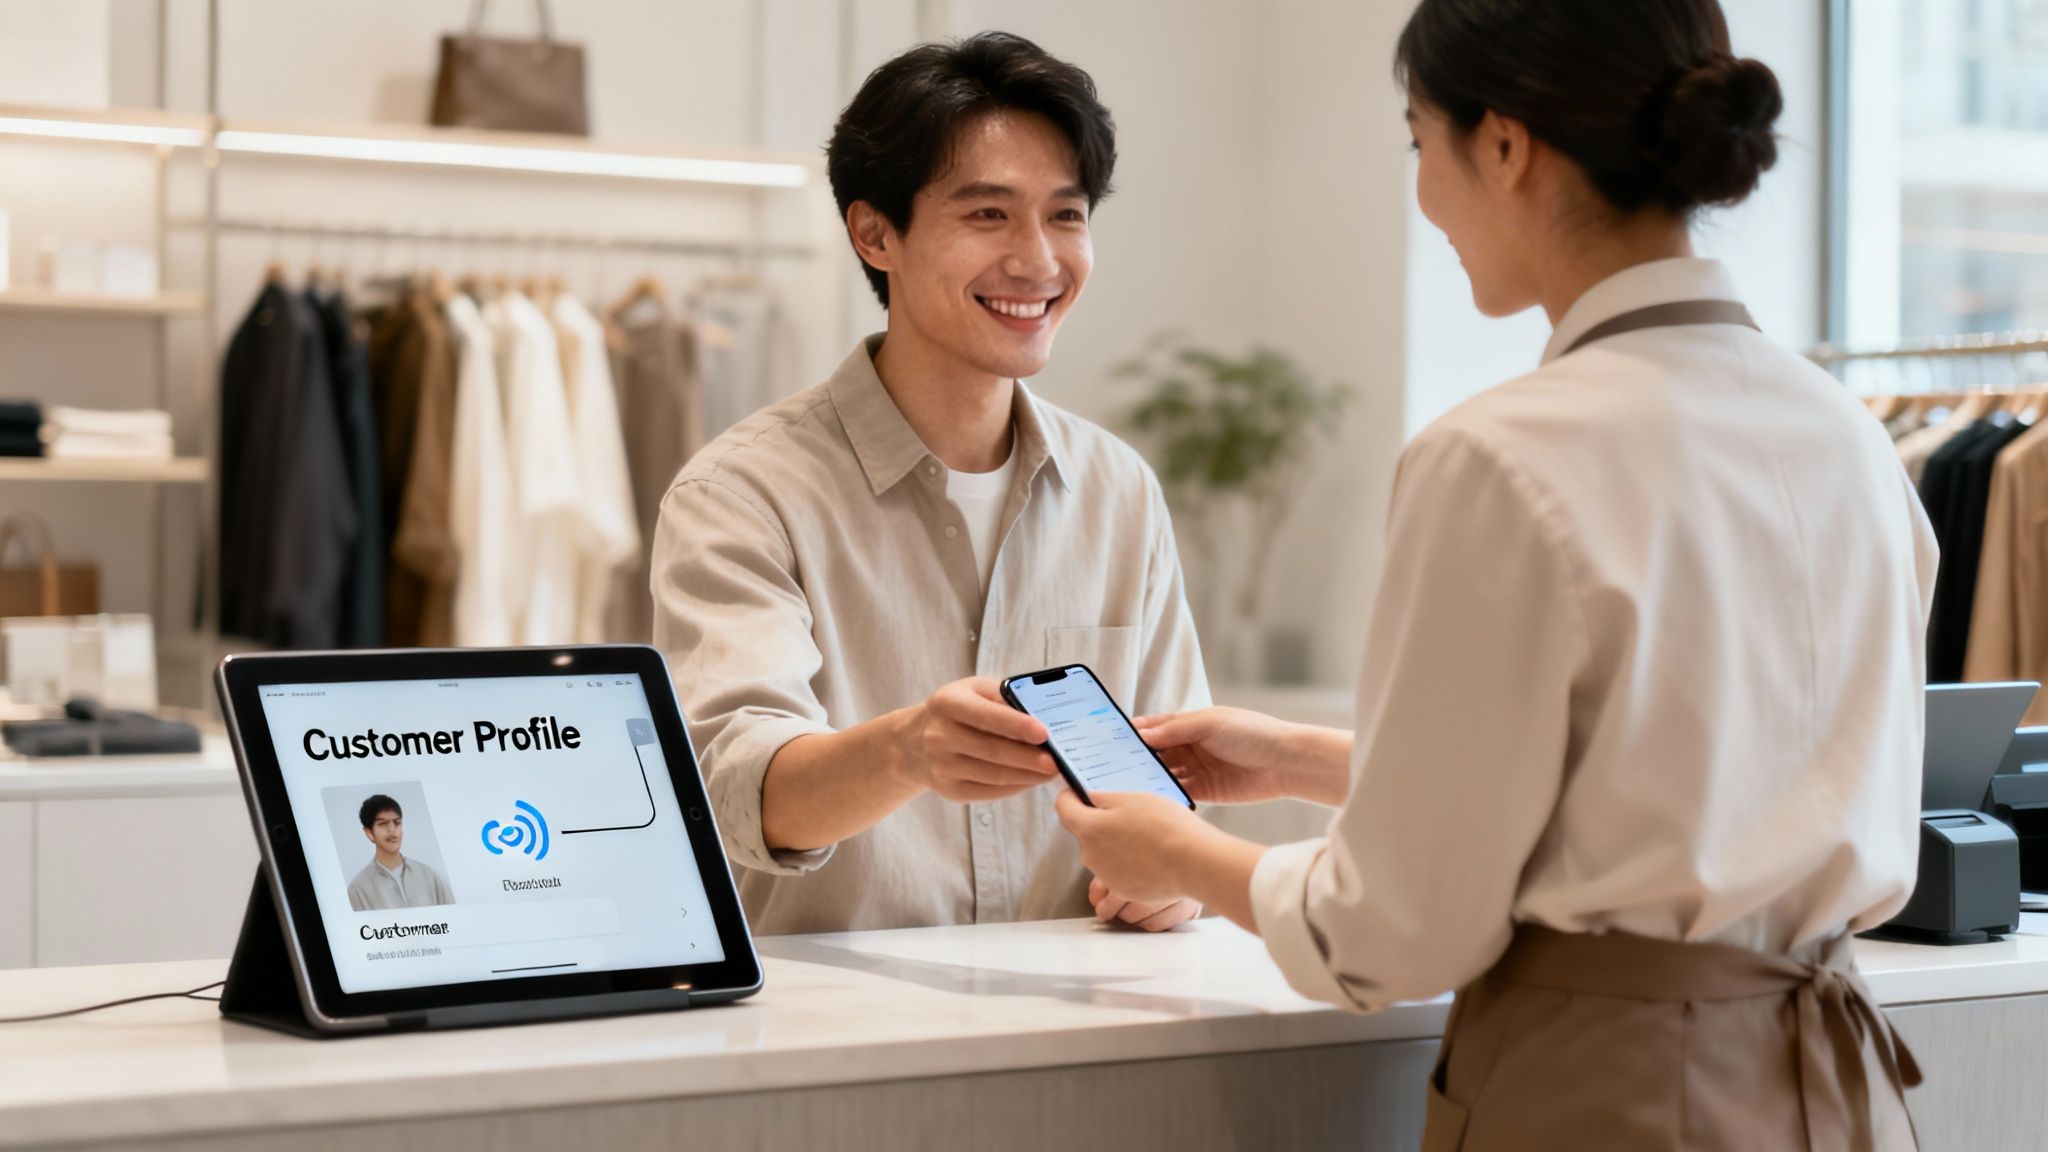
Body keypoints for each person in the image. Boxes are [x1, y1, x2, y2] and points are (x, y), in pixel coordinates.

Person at [1055, 1, 1934, 1147]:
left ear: (1506, 144)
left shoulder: (1500, 457)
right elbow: (1670, 786)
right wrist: (1305, 760)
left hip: (1611, 1091)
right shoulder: (1847, 438)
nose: (1424, 194)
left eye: (1420, 142)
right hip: (1834, 1086)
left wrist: (1176, 853)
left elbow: (1390, 936)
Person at [652, 33, 1209, 936]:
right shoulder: (742, 494)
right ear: (876, 233)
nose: (1038, 261)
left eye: (1066, 216)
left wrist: (1178, 877)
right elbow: (736, 792)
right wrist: (908, 751)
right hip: (842, 1036)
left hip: (1089, 1021)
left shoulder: (1120, 489)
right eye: (988, 215)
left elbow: (1182, 778)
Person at [345, 794, 456, 912]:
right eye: (383, 824)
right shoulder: (358, 889)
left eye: (397, 822)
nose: (392, 830)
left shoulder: (428, 875)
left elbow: (453, 919)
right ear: (369, 833)